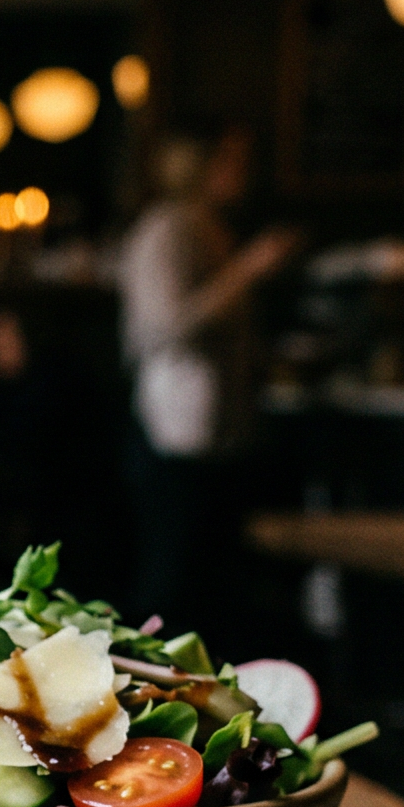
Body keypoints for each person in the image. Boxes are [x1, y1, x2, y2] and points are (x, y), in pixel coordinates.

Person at [118, 124, 297, 619]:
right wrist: (249, 269)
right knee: (170, 585)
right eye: (231, 161)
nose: (245, 173)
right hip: (173, 433)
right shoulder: (165, 229)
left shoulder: (212, 228)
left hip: (219, 435)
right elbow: (167, 327)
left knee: (211, 588)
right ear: (199, 166)